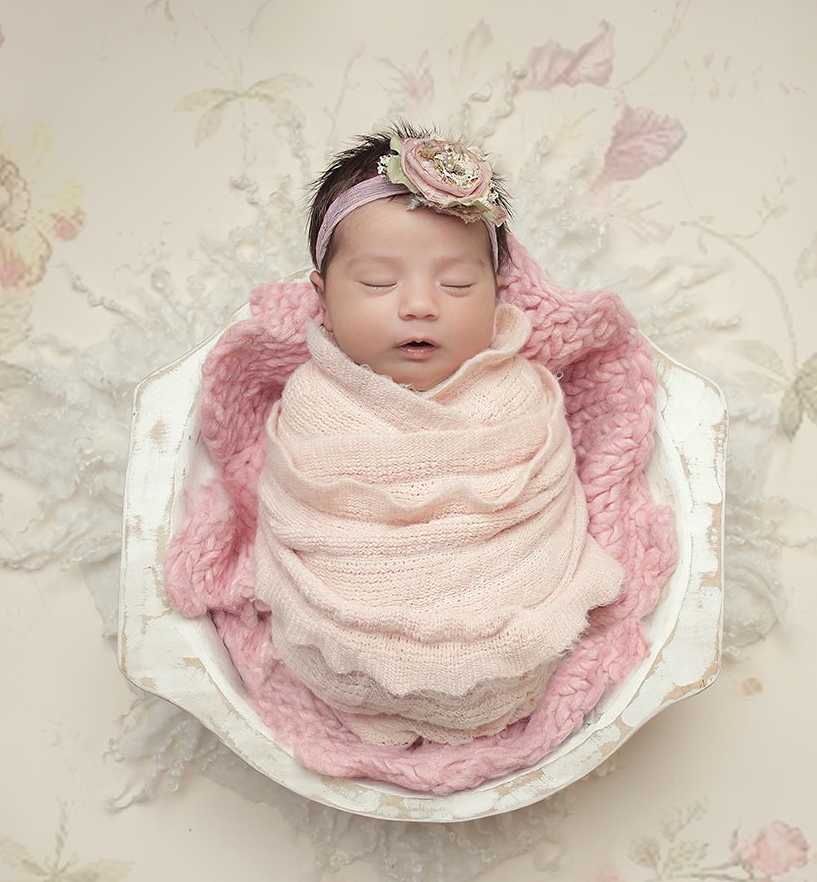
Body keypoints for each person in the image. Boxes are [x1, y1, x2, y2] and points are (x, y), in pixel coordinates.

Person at [252, 124, 626, 746]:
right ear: (322, 297)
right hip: (345, 645)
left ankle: (488, 676)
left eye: (457, 284)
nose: (421, 306)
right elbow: (303, 516)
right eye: (378, 283)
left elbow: (546, 507)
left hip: (514, 630)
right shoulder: (315, 405)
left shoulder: (520, 395)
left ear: (499, 294)